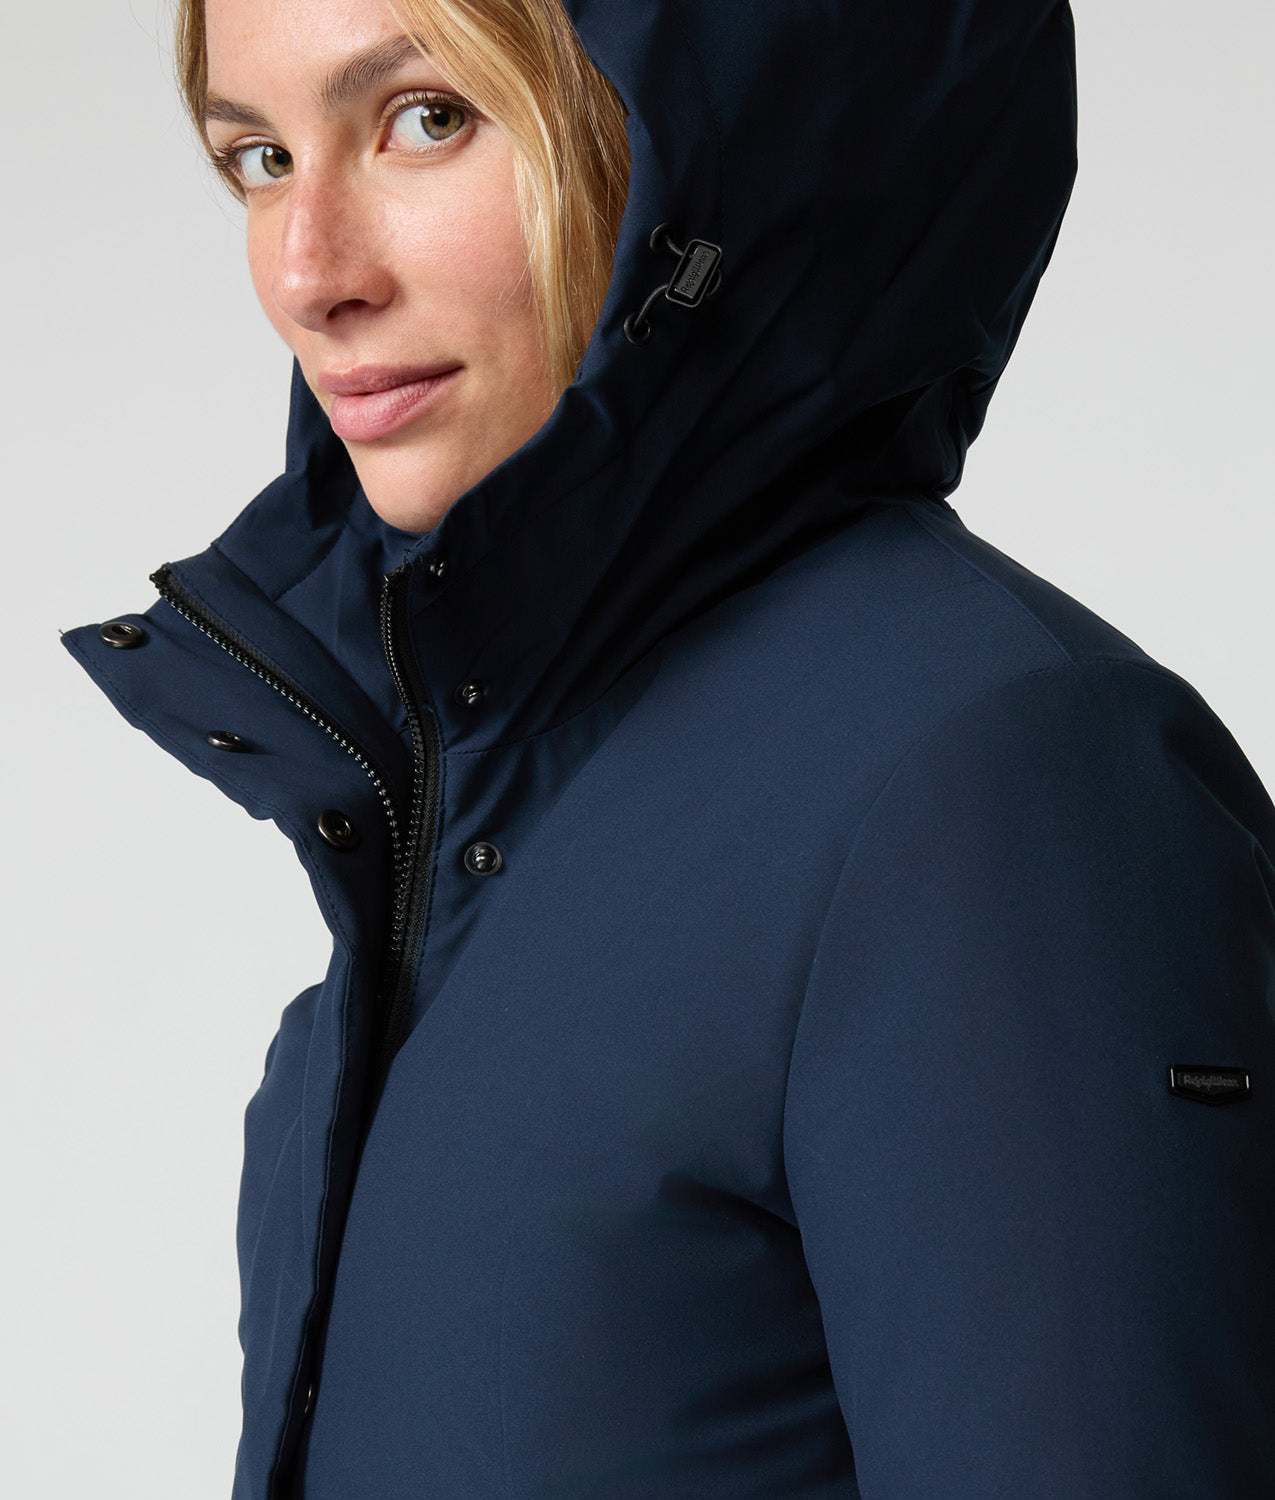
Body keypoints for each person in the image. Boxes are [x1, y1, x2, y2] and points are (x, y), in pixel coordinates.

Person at [61, 0, 1275, 1495]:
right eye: (259, 156)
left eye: (428, 119)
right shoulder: (448, 792)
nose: (308, 274)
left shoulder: (997, 780)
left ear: (708, 154)